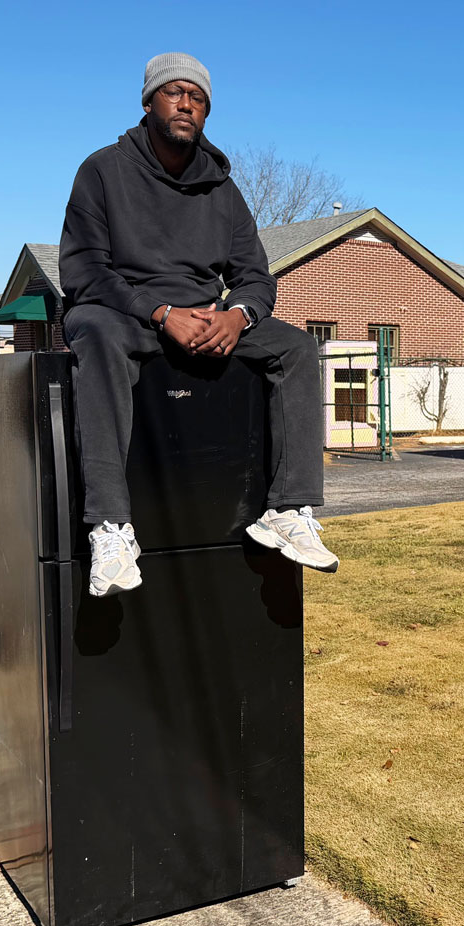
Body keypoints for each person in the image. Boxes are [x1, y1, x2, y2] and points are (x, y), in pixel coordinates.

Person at [59, 52, 338, 597]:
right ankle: (111, 529)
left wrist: (238, 315)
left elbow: (255, 277)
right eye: (174, 92)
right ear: (149, 102)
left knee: (298, 347)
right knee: (96, 330)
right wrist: (160, 314)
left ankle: (287, 510)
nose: (186, 104)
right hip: (126, 313)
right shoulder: (102, 170)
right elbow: (83, 270)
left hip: (205, 317)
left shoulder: (222, 189)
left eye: (198, 97)